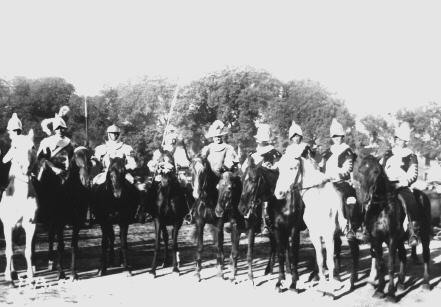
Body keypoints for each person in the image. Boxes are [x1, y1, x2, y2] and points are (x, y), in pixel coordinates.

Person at [381, 122, 419, 246]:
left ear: (406, 141)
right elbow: (381, 169)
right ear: (395, 139)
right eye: (398, 139)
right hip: (387, 185)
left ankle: (411, 232)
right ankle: (368, 229)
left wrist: (403, 183)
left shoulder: (411, 155)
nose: (400, 141)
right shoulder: (388, 153)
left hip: (402, 186)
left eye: (403, 140)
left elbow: (413, 174)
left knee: (409, 202)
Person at [321, 118, 357, 240]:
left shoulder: (347, 151)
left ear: (343, 136)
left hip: (342, 183)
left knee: (343, 198)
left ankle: (347, 226)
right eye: (335, 136)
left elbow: (348, 168)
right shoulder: (326, 152)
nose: (338, 138)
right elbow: (321, 167)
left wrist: (336, 175)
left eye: (340, 136)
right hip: (328, 183)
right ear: (332, 137)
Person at [242, 123, 281, 234]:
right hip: (255, 183)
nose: (260, 142)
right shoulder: (253, 153)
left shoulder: (274, 153)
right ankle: (247, 221)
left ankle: (267, 223)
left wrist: (272, 167)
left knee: (268, 200)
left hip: (269, 184)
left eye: (263, 140)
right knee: (247, 193)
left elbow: (279, 167)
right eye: (259, 140)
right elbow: (245, 168)